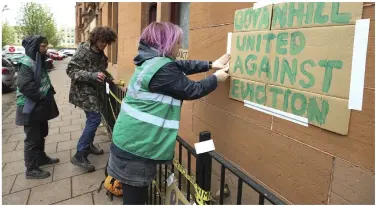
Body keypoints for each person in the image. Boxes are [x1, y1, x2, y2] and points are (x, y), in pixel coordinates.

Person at [107, 22, 230, 205]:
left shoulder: (152, 61)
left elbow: (182, 66)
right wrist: (215, 78)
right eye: (177, 42)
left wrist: (211, 64)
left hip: (130, 142)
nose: (179, 47)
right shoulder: (162, 68)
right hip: (136, 149)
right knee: (135, 201)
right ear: (165, 42)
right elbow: (191, 90)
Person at [67, 26, 117, 172]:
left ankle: (88, 145)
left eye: (106, 42)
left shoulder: (101, 54)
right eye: (102, 41)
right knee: (95, 119)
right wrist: (91, 75)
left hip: (95, 92)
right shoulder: (83, 51)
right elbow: (70, 70)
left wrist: (111, 79)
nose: (104, 45)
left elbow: (101, 71)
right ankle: (80, 154)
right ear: (95, 39)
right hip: (83, 92)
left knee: (93, 119)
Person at [15, 35, 60, 179]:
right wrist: (41, 97)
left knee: (41, 134)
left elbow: (42, 78)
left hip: (38, 106)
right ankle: (31, 169)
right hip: (29, 107)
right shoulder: (26, 62)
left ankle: (41, 158)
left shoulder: (37, 59)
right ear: (35, 47)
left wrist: (50, 90)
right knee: (32, 138)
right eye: (43, 46)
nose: (46, 49)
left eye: (46, 46)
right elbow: (24, 85)